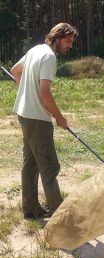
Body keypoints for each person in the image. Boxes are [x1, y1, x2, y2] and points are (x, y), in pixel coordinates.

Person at [11, 23, 78, 219]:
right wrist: (60, 118)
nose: (70, 45)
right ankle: (60, 216)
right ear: (56, 38)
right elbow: (45, 94)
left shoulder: (35, 50)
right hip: (38, 120)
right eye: (67, 41)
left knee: (30, 163)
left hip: (24, 114)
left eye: (72, 41)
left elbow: (15, 71)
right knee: (49, 166)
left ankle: (31, 209)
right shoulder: (49, 56)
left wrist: (26, 92)